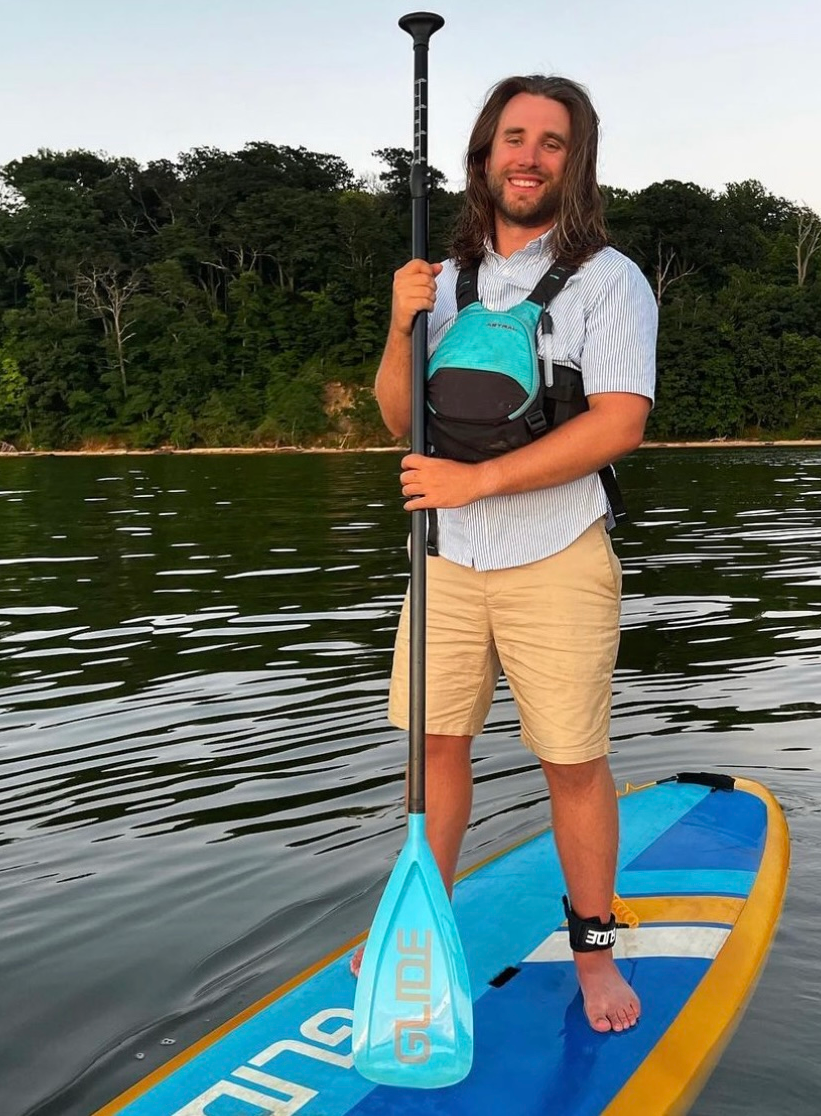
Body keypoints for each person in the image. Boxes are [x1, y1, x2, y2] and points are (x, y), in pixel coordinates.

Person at [358, 74, 657, 1035]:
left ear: (576, 164)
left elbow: (618, 424)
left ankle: (592, 950)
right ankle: (419, 926)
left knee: (570, 758)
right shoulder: (437, 280)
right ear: (485, 152)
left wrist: (479, 483)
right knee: (434, 747)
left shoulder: (611, 279)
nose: (528, 156)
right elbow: (401, 420)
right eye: (513, 137)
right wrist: (401, 325)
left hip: (556, 552)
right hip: (444, 557)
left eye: (552, 142)